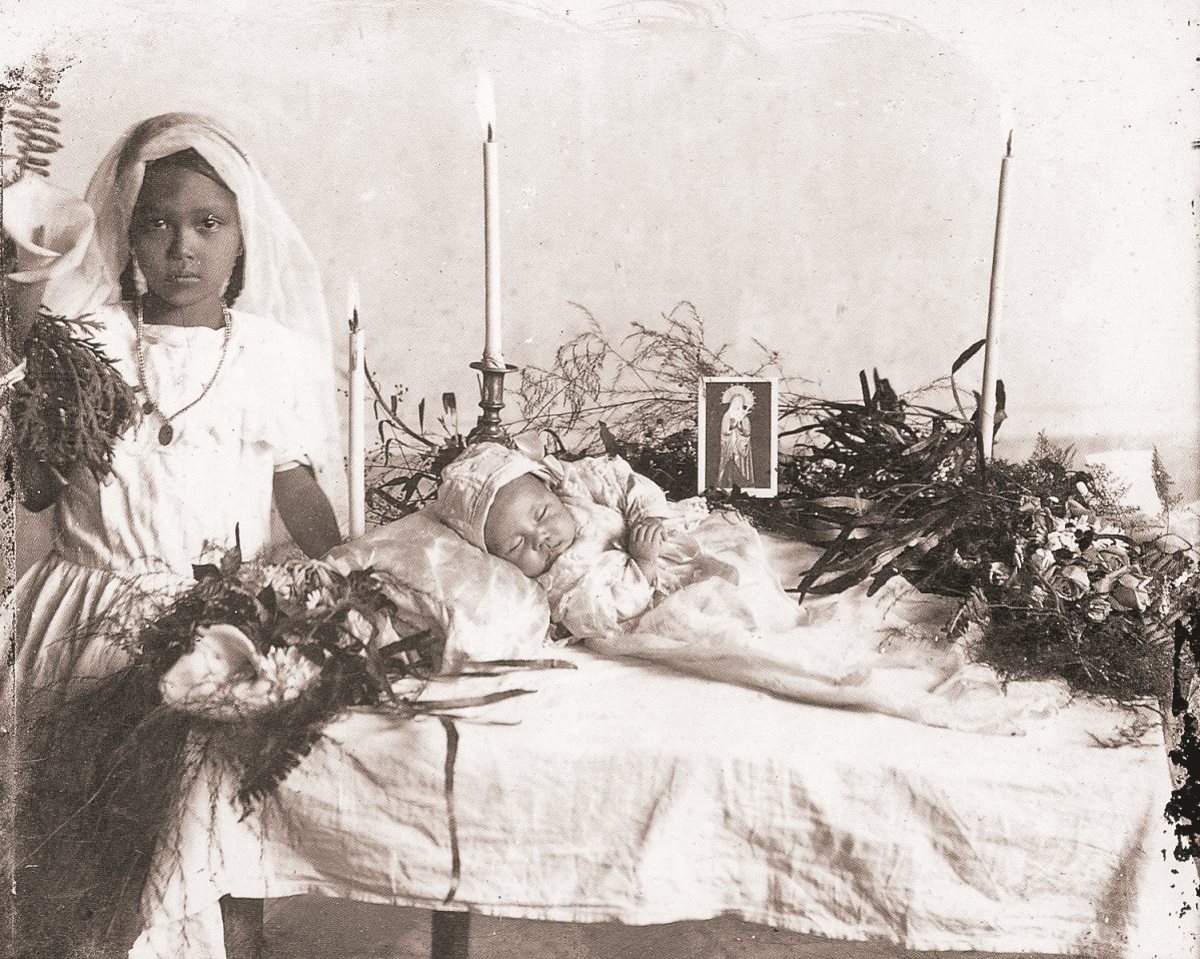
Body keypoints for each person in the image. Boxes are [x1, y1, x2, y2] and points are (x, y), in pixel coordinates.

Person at [4, 113, 344, 713]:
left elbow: (295, 486)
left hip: (223, 615)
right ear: (127, 234)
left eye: (208, 224)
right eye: (157, 223)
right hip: (91, 609)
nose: (182, 246)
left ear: (242, 237)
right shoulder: (89, 338)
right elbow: (35, 491)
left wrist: (342, 584)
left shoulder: (270, 354)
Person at [432, 443, 1060, 733]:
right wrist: (643, 567)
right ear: (498, 558)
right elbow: (599, 613)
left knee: (766, 567)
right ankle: (836, 657)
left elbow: (622, 480)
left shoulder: (572, 488)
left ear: (546, 486)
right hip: (658, 601)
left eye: (540, 517)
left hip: (681, 545)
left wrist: (649, 513)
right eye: (516, 546)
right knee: (737, 626)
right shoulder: (566, 577)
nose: (541, 539)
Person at [716, 383, 754, 487]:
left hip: (740, 443)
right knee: (729, 461)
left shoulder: (744, 416)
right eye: (735, 402)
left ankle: (741, 481)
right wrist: (733, 425)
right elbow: (724, 431)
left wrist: (740, 425)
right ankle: (726, 481)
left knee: (738, 462)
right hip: (729, 442)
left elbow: (747, 432)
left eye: (740, 402)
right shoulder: (727, 415)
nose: (737, 404)